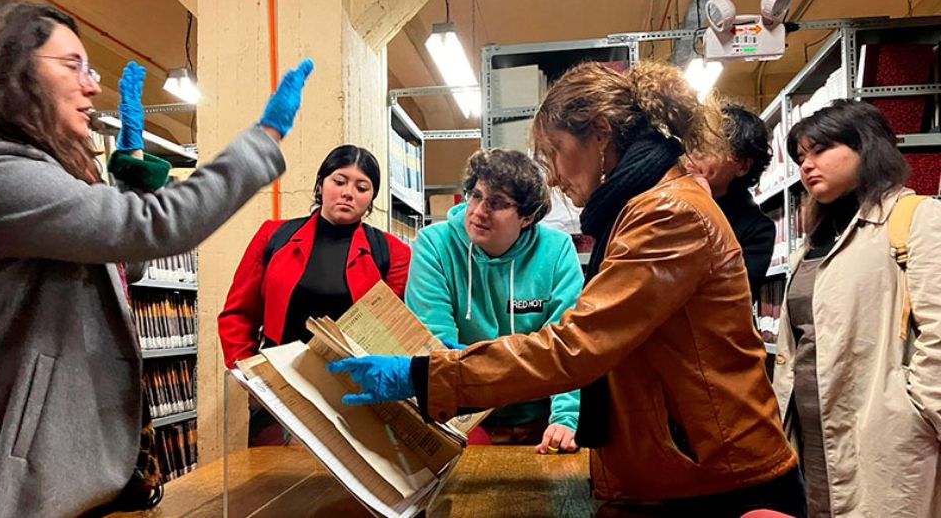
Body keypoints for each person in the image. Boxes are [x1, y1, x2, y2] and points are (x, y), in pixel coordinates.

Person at [327, 61, 805, 517]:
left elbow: (576, 348)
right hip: (691, 470)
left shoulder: (667, 214)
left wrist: (425, 376)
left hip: (722, 483)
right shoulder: (642, 207)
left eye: (554, 152)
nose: (552, 175)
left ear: (599, 133)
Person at [0, 1, 311, 516]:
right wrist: (261, 142)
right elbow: (148, 228)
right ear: (19, 73)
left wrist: (127, 166)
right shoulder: (0, 173)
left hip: (78, 464)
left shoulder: (49, 173)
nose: (92, 85)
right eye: (73, 66)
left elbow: (125, 266)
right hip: (31, 473)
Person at [771, 99, 941, 517]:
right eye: (800, 156)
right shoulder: (811, 244)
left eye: (821, 149)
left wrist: (913, 413)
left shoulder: (917, 218)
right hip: (811, 436)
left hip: (881, 434)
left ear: (866, 147)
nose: (807, 165)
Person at [218, 145, 411, 443]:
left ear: (371, 199)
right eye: (339, 180)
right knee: (274, 479)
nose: (348, 193)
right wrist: (246, 370)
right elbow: (238, 313)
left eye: (362, 187)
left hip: (352, 393)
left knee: (348, 485)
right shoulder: (273, 237)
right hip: (277, 387)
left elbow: (395, 330)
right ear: (321, 184)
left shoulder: (392, 253)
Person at [405, 149, 583, 454]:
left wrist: (566, 419)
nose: (478, 211)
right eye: (476, 195)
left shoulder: (556, 251)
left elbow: (569, 343)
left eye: (497, 203)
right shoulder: (434, 245)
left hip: (539, 421)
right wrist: (458, 426)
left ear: (527, 216)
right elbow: (436, 344)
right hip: (463, 419)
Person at [685, 104, 776, 300]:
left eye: (710, 147)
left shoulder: (758, 229)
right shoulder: (669, 197)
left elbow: (734, 295)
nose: (695, 154)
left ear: (742, 166)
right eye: (694, 144)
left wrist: (705, 210)